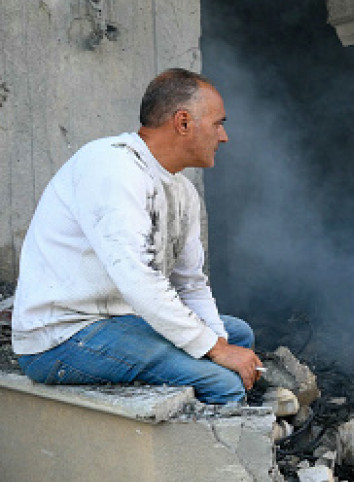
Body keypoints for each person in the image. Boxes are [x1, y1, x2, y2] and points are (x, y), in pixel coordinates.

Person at [11, 68, 261, 404]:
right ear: (183, 122)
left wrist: (220, 344)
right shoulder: (112, 166)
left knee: (238, 334)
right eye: (218, 123)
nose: (224, 136)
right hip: (62, 337)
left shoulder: (183, 191)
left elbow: (190, 285)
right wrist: (215, 351)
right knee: (223, 384)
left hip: (120, 322)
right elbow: (138, 280)